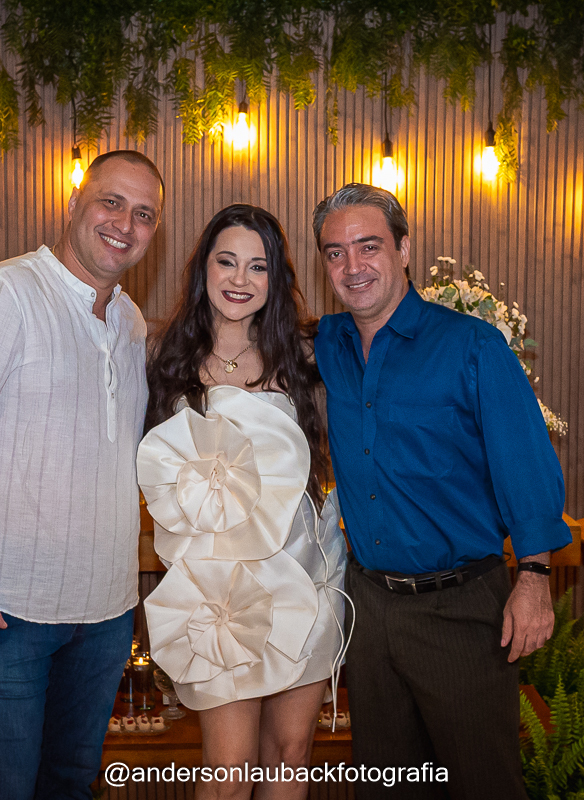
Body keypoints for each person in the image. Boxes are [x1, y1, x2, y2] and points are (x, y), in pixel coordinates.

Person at [0, 150, 164, 800]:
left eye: (144, 214)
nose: (124, 224)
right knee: (5, 789)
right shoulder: (4, 295)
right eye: (111, 202)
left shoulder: (128, 322)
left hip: (106, 612)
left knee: (71, 785)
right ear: (74, 202)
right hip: (7, 609)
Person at [312, 184, 571, 799]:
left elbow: (525, 463)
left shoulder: (471, 345)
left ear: (404, 250)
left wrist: (535, 578)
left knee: (483, 784)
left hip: (459, 608)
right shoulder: (327, 344)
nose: (352, 266)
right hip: (368, 608)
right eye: (335, 253)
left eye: (369, 246)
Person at [139, 204, 346, 800]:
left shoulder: (306, 353)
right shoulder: (160, 353)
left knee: (290, 755)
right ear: (202, 267)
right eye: (226, 261)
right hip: (216, 590)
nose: (239, 279)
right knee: (228, 772)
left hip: (304, 570)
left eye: (258, 267)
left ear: (276, 277)